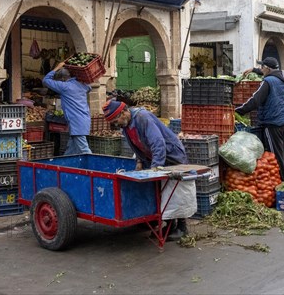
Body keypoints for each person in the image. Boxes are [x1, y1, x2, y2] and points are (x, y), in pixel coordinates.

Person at [102, 99, 189, 240]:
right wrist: (139, 162)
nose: (116, 124)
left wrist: (156, 167)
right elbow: (138, 145)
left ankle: (182, 228)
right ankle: (170, 225)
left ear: (124, 112)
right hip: (155, 157)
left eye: (116, 119)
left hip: (171, 156)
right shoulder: (126, 126)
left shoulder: (143, 117)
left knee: (175, 191)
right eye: (113, 122)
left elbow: (158, 143)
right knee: (162, 192)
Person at [235, 57, 284, 181]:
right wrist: (255, 70)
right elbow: (270, 73)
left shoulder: (267, 82)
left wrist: (238, 110)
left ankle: (282, 182)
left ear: (267, 68)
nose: (261, 69)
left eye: (262, 67)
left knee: (275, 154)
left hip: (273, 122)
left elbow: (255, 100)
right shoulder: (283, 77)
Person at [42, 62, 92, 155]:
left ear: (63, 78)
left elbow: (45, 80)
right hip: (84, 120)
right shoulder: (83, 85)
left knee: (85, 150)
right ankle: (65, 167)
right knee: (70, 150)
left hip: (76, 122)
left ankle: (96, 166)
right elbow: (89, 87)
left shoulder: (64, 86)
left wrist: (57, 67)